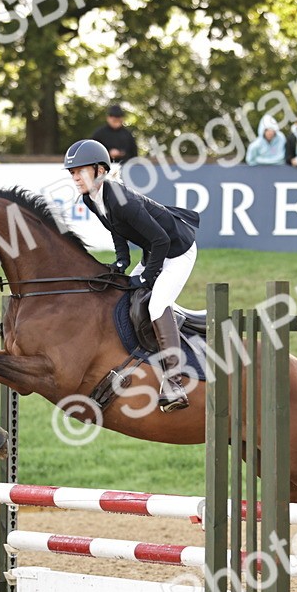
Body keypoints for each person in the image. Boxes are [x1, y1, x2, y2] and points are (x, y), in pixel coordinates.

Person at [64, 138, 200, 412]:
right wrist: (122, 260)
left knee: (157, 303)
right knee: (126, 294)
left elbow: (161, 240)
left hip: (177, 251)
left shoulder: (121, 199)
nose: (75, 176)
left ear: (100, 170)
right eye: (72, 172)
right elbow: (117, 229)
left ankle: (174, 383)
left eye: (80, 170)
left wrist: (148, 278)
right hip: (155, 251)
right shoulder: (92, 199)